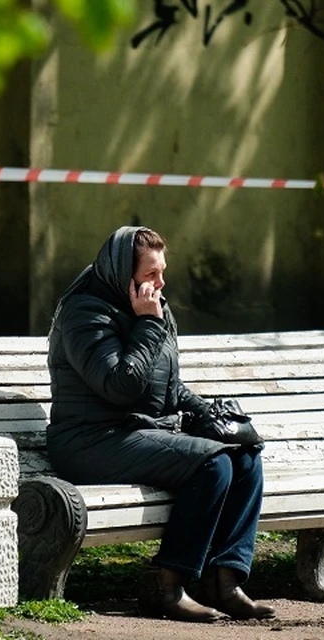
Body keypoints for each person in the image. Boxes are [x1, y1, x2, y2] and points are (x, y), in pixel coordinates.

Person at [46, 225, 276, 623]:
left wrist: (207, 414)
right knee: (212, 463)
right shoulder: (85, 312)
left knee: (244, 458)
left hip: (138, 432)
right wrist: (148, 324)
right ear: (123, 274)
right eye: (151, 274)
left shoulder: (151, 306)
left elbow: (168, 387)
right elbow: (120, 386)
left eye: (162, 271)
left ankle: (222, 581)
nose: (160, 282)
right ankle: (165, 584)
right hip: (90, 442)